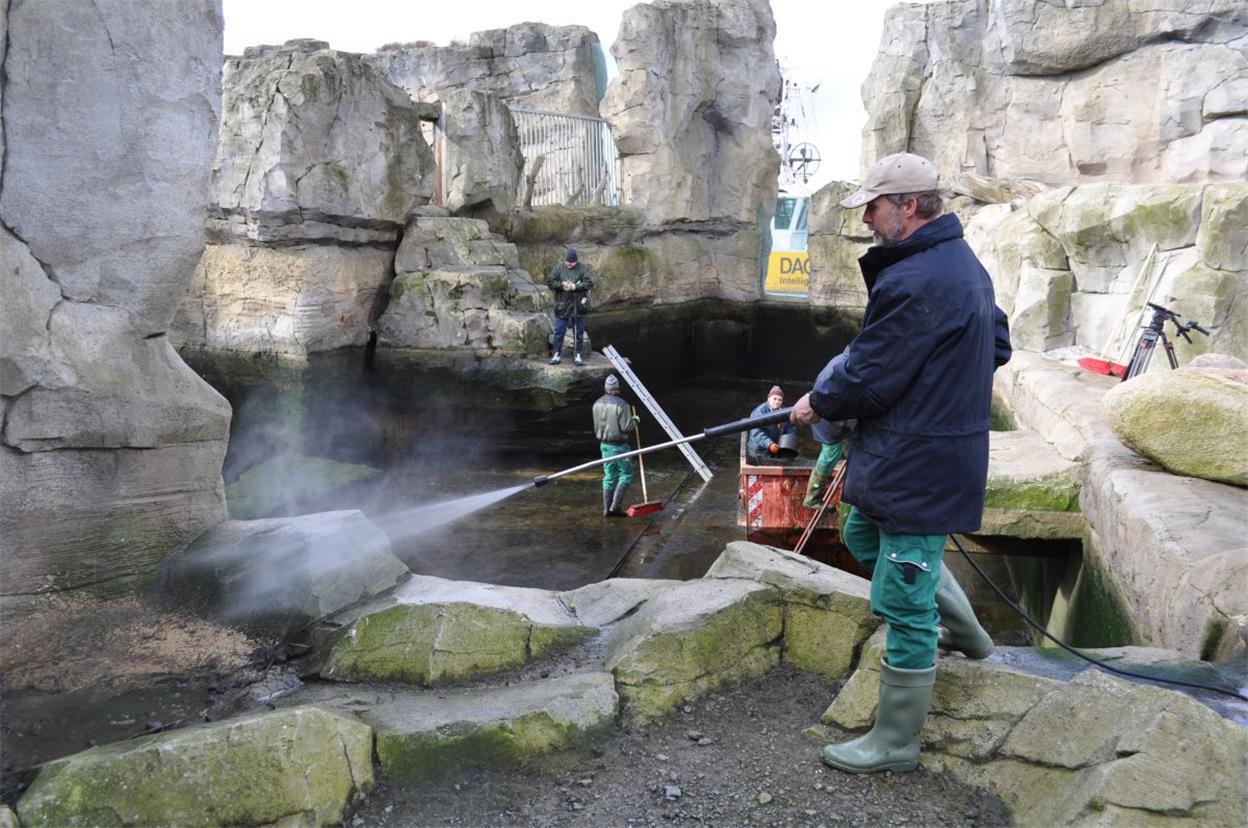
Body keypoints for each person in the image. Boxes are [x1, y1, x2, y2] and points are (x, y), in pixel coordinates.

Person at [790, 152, 1011, 775]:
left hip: (921, 460)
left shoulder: (917, 279)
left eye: (874, 205)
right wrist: (942, 382)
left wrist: (817, 403)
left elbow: (870, 374)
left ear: (908, 207)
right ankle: (969, 633)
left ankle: (894, 742)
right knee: (861, 531)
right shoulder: (957, 262)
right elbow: (997, 343)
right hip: (916, 449)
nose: (866, 216)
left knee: (903, 594)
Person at [803, 350, 855, 509]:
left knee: (850, 449)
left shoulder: (846, 360)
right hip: (826, 415)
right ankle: (813, 497)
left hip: (831, 411)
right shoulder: (847, 367)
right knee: (831, 453)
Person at [593, 374, 638, 516]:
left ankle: (607, 509)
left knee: (609, 476)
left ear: (606, 388)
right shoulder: (622, 404)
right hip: (619, 446)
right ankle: (615, 506)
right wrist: (635, 420)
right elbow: (627, 427)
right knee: (626, 474)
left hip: (604, 445)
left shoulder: (597, 403)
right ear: (617, 388)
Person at [547, 247, 593, 366]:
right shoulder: (559, 268)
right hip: (562, 305)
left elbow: (589, 283)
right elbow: (551, 282)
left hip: (579, 305)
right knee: (559, 331)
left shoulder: (583, 269)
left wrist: (575, 287)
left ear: (576, 261)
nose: (568, 264)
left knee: (579, 331)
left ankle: (577, 354)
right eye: (567, 262)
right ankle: (556, 354)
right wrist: (561, 285)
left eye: (571, 263)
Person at [746, 385, 794, 464]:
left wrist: (788, 443)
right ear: (768, 399)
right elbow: (756, 432)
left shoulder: (785, 412)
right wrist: (769, 444)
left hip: (776, 448)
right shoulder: (760, 412)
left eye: (779, 400)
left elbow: (791, 427)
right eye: (774, 399)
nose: (777, 402)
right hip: (759, 450)